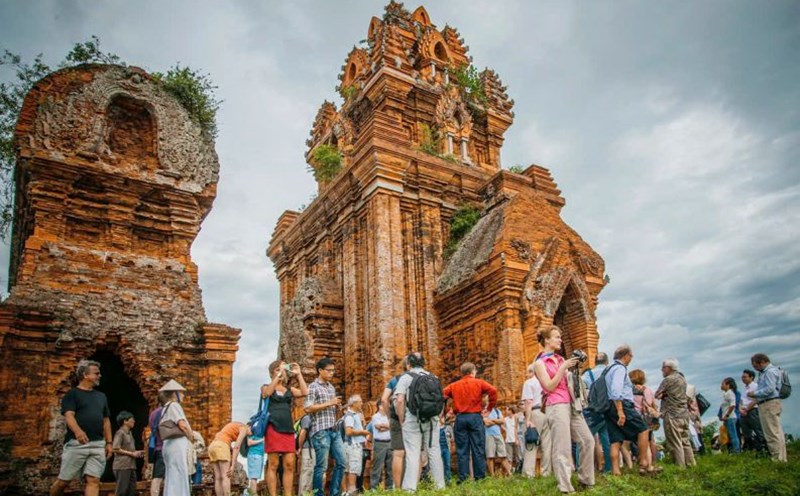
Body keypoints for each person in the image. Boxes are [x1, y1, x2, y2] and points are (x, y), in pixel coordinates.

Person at [533, 326, 594, 493]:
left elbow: (569, 382)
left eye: (560, 337)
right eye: (557, 337)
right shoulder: (539, 363)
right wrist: (563, 368)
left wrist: (575, 368)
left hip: (572, 404)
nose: (560, 340)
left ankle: (586, 480)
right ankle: (565, 487)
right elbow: (549, 386)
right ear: (547, 340)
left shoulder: (560, 359)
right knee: (563, 447)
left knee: (588, 440)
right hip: (556, 405)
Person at [50, 359, 112, 496]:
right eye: (96, 373)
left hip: (98, 444)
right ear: (85, 375)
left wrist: (109, 442)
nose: (100, 375)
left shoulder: (101, 396)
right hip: (76, 444)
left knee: (94, 480)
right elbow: (69, 415)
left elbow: (106, 420)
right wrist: (78, 432)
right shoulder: (72, 394)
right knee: (63, 481)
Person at [394, 352, 445, 491]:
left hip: (413, 418)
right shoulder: (433, 377)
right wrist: (438, 417)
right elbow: (441, 399)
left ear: (408, 364)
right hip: (432, 419)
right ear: (423, 363)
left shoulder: (406, 377)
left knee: (412, 453)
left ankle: (410, 489)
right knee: (434, 451)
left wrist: (401, 419)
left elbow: (400, 400)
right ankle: (440, 487)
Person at [604, 345, 658, 476]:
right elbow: (616, 390)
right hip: (622, 404)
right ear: (625, 355)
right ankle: (644, 463)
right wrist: (620, 411)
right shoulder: (620, 368)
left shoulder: (609, 369)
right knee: (643, 429)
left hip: (609, 406)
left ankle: (616, 472)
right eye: (631, 355)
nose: (631, 358)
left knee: (616, 439)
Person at [442, 361, 497, 482]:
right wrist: (488, 409)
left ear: (462, 373)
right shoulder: (479, 382)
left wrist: (448, 411)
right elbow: (493, 391)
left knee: (462, 450)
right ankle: (480, 477)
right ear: (473, 372)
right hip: (475, 417)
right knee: (478, 448)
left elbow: (442, 395)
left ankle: (464, 478)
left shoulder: (454, 385)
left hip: (460, 418)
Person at [262, 360, 308, 496]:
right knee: (273, 464)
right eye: (277, 369)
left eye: (283, 369)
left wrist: (298, 374)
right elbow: (267, 393)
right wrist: (278, 375)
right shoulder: (266, 387)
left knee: (289, 464)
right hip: (273, 427)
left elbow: (305, 392)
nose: (281, 371)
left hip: (287, 429)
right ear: (271, 373)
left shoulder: (289, 390)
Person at [304, 357, 346, 496]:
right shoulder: (313, 386)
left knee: (342, 462)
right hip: (320, 430)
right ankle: (318, 494)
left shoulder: (331, 387)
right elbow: (308, 408)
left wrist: (338, 407)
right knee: (322, 466)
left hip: (334, 430)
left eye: (333, 370)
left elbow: (331, 408)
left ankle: (335, 493)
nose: (331, 373)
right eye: (329, 370)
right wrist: (329, 403)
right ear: (320, 370)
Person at [655, 359, 695, 468]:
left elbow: (657, 394)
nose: (662, 370)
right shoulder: (682, 379)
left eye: (663, 367)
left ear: (669, 368)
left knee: (675, 443)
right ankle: (692, 465)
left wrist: (664, 394)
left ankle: (680, 468)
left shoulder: (668, 379)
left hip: (672, 414)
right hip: (684, 414)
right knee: (685, 442)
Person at [748, 353, 787, 462]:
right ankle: (782, 458)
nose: (755, 368)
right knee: (777, 432)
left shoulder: (769, 372)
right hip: (772, 403)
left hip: (768, 404)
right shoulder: (772, 371)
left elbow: (770, 389)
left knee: (771, 433)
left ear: (762, 362)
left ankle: (777, 458)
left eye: (756, 365)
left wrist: (755, 393)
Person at [158, 380, 194, 496]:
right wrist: (191, 437)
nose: (183, 395)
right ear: (174, 393)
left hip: (168, 445)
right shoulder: (174, 405)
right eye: (181, 393)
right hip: (176, 444)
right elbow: (182, 425)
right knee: (180, 473)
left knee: (172, 475)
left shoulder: (164, 408)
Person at [379, 357, 410, 488]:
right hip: (413, 419)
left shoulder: (395, 380)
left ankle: (398, 488)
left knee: (398, 453)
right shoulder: (418, 378)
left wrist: (389, 416)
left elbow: (384, 399)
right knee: (415, 453)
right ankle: (412, 487)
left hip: (396, 418)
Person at [581, 352, 611, 473]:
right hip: (609, 409)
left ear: (594, 362)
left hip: (594, 411)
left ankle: (584, 468)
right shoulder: (611, 373)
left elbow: (582, 391)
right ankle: (609, 468)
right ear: (607, 362)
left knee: (586, 439)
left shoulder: (587, 375)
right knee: (607, 440)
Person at [521, 361, 551, 478]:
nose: (527, 375)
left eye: (528, 372)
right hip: (547, 412)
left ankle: (528, 474)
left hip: (535, 412)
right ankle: (546, 473)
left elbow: (528, 401)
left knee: (531, 442)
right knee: (547, 444)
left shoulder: (529, 383)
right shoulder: (546, 381)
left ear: (532, 372)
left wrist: (528, 419)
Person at [208, 421, 248, 496]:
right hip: (221, 446)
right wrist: (232, 465)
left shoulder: (235, 425)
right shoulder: (244, 428)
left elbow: (224, 437)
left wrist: (230, 449)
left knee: (218, 477)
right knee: (226, 476)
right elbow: (237, 447)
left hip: (212, 446)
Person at [629, 369, 659, 467]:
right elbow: (654, 405)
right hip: (648, 417)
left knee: (639, 441)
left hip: (637, 416)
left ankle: (642, 462)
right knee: (651, 440)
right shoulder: (649, 390)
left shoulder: (632, 390)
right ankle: (652, 462)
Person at [342, 395, 370, 495]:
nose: (362, 403)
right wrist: (362, 432)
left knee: (350, 469)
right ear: (354, 403)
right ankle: (351, 490)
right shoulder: (350, 416)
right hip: (352, 446)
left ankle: (347, 492)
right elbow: (348, 431)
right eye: (360, 401)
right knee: (352, 469)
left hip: (354, 445)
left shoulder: (356, 415)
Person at [112, 411, 143, 496]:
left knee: (131, 490)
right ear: (125, 421)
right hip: (122, 466)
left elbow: (129, 449)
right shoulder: (120, 433)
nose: (134, 421)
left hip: (131, 465)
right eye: (132, 419)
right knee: (122, 491)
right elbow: (115, 448)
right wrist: (131, 454)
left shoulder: (130, 433)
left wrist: (136, 453)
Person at [482, 398, 512, 477]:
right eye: (489, 400)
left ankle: (510, 474)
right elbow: (486, 423)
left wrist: (492, 420)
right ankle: (492, 476)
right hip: (488, 435)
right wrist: (497, 421)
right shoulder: (483, 411)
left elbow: (502, 421)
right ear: (487, 401)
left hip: (498, 435)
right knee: (490, 456)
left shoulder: (497, 411)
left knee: (503, 456)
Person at [148, 392, 169, 496]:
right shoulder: (164, 412)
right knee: (159, 476)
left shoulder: (153, 414)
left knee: (158, 474)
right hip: (163, 447)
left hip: (157, 447)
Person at [739, 369, 766, 452]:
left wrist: (747, 409)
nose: (743, 378)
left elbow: (756, 400)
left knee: (758, 430)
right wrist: (740, 409)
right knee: (746, 432)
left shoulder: (755, 386)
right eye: (742, 377)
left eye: (745, 377)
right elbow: (741, 401)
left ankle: (763, 448)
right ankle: (750, 449)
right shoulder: (744, 388)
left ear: (751, 377)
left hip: (752, 410)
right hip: (743, 412)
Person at [369, 400, 393, 490]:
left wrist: (386, 426)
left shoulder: (389, 416)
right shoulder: (375, 417)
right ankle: (374, 489)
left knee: (390, 468)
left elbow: (393, 426)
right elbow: (379, 428)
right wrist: (389, 426)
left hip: (390, 443)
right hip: (379, 443)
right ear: (379, 406)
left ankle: (389, 488)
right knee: (377, 467)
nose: (388, 407)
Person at [719, 377, 741, 454]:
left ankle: (736, 451)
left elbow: (733, 405)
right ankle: (732, 450)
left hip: (730, 417)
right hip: (727, 418)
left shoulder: (730, 393)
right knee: (729, 435)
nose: (721, 386)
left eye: (723, 384)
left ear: (728, 385)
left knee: (733, 435)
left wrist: (727, 415)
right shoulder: (726, 394)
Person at [296, 414, 315, 495]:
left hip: (311, 449)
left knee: (309, 474)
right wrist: (300, 447)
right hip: (308, 449)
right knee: (307, 473)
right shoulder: (307, 418)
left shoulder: (313, 418)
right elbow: (303, 433)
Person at [246, 424, 265, 496]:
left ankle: (252, 494)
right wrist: (262, 440)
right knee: (254, 477)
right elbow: (249, 443)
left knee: (254, 477)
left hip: (258, 455)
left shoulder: (258, 434)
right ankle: (254, 494)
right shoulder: (252, 434)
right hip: (254, 455)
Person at [503, 406, 518, 470]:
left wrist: (517, 439)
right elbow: (501, 425)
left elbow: (516, 428)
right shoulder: (505, 419)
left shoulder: (515, 418)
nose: (506, 411)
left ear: (511, 410)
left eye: (507, 410)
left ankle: (516, 469)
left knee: (517, 456)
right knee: (509, 457)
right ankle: (510, 470)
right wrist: (506, 429)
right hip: (508, 440)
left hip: (515, 440)